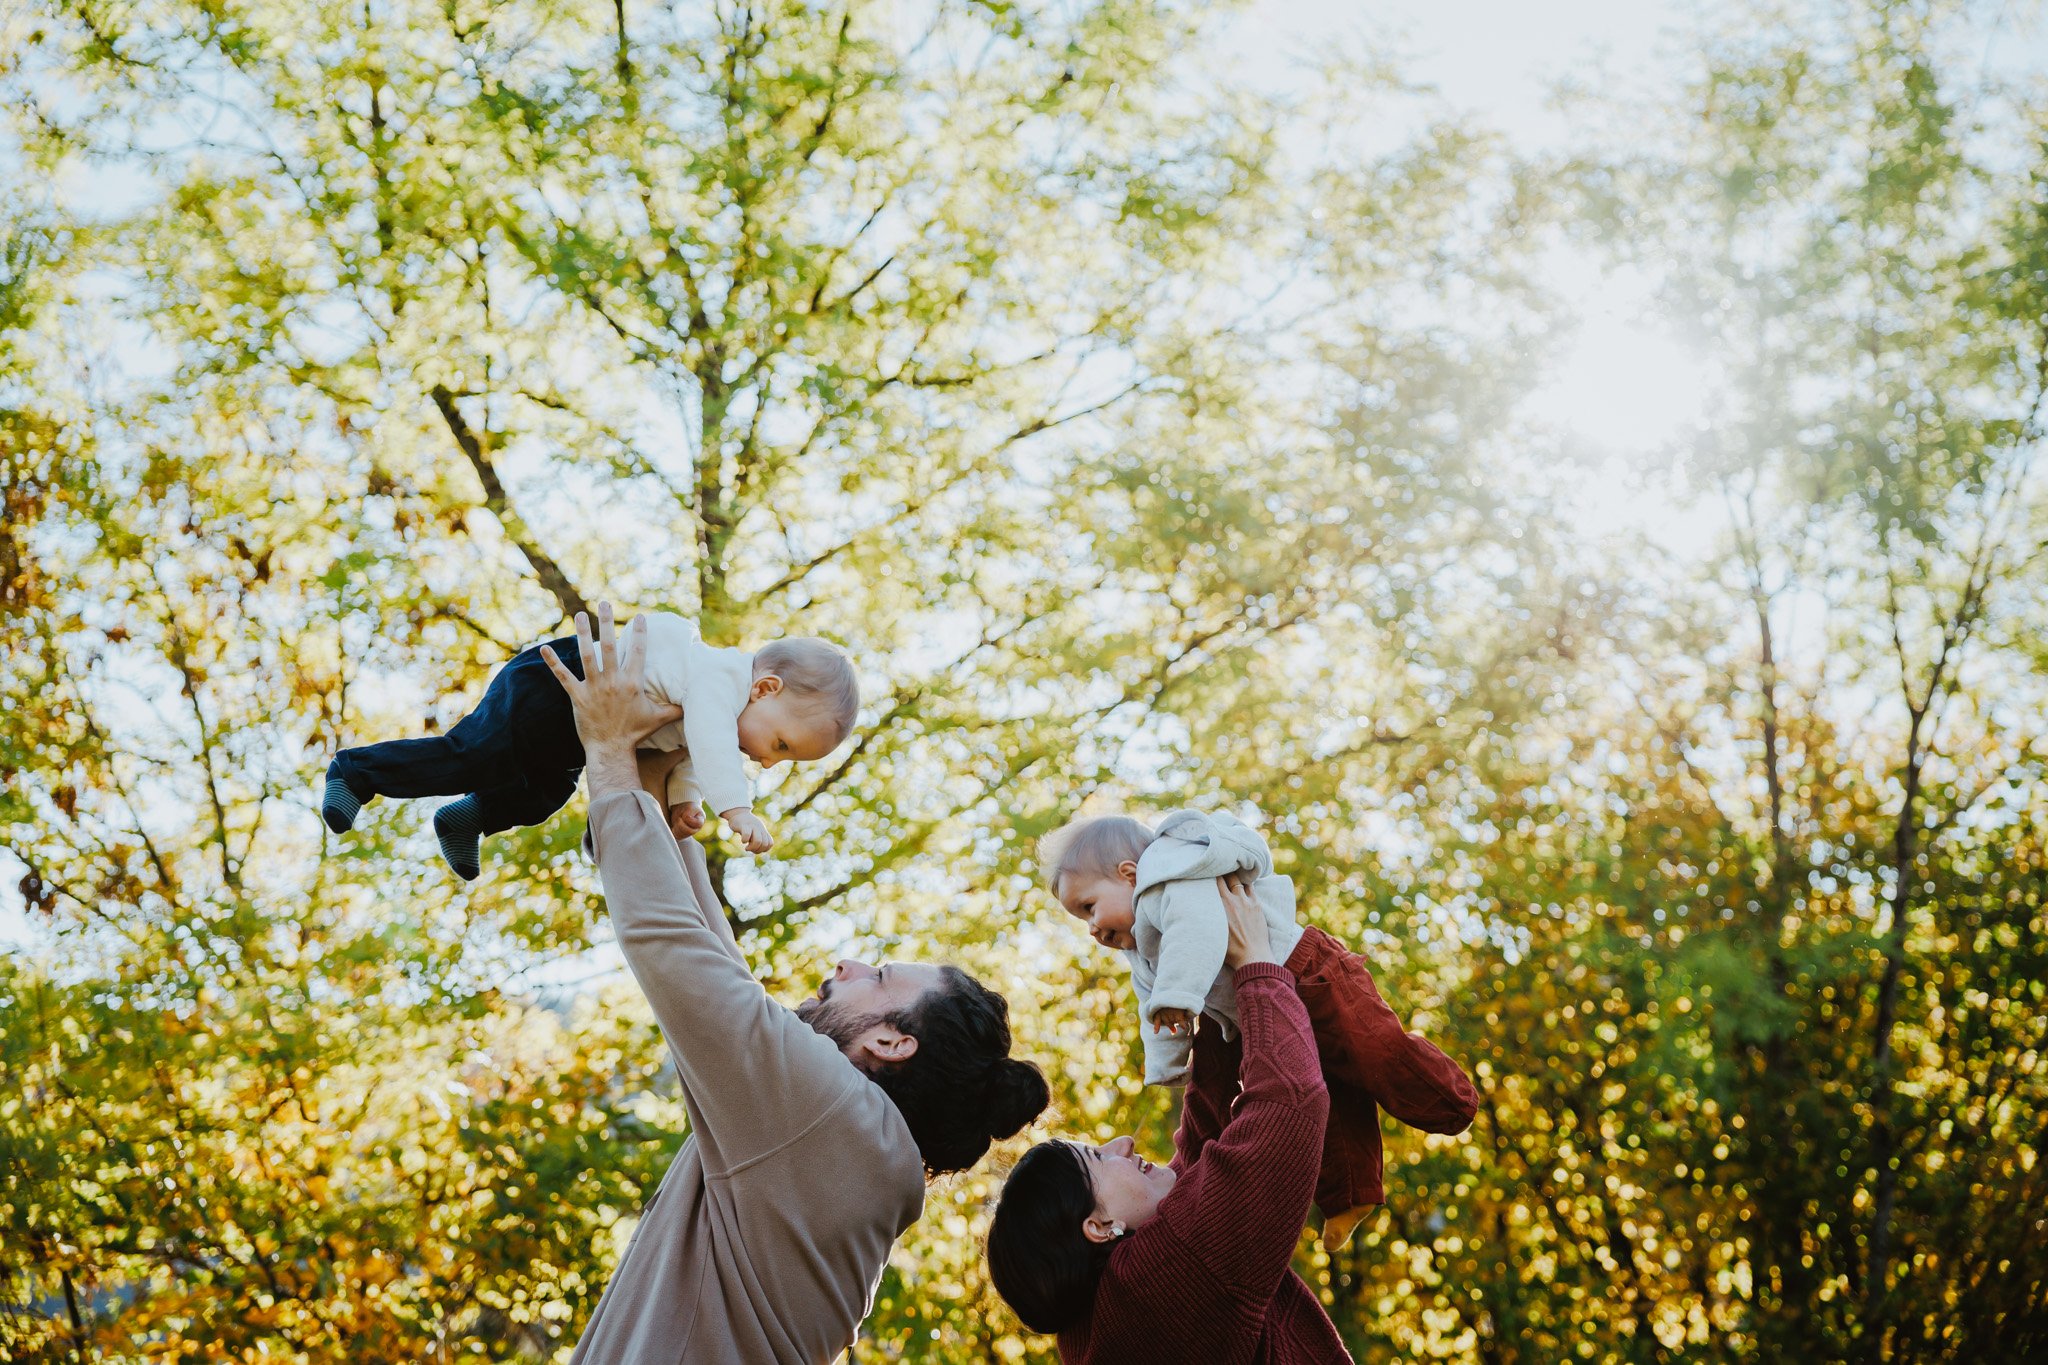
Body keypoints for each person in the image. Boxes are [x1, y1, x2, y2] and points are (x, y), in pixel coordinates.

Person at [535, 605, 1049, 1364]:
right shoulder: (848, 1142)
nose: (844, 965)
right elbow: (718, 962)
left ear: (890, 1040)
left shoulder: (833, 1120)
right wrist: (649, 787)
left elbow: (687, 961)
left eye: (875, 976)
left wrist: (611, 755)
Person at [1039, 809, 1477, 1250]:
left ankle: (1445, 1095)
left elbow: (1200, 931)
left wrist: (1178, 997)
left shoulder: (1170, 883)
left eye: (1089, 908)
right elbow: (1149, 1001)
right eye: (1083, 920)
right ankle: (1348, 1197)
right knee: (1302, 1094)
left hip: (1307, 970)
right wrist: (1167, 1062)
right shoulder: (1139, 944)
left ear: (1130, 874)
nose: (1092, 929)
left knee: (1370, 1050)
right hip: (1242, 1010)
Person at [987, 873, 1353, 1362]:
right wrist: (1256, 964)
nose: (1122, 1143)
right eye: (1098, 1158)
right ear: (1098, 1226)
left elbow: (1205, 1150)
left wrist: (1207, 993)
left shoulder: (1109, 1310)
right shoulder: (1156, 1285)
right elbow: (1289, 1103)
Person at [322, 611, 857, 878]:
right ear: (765, 689)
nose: (766, 759)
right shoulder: (723, 678)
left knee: (545, 795)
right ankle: (355, 773)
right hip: (557, 686)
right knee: (473, 756)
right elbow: (710, 741)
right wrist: (737, 810)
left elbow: (689, 758)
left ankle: (469, 818)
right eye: (781, 743)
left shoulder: (715, 714)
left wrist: (683, 802)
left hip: (577, 733)